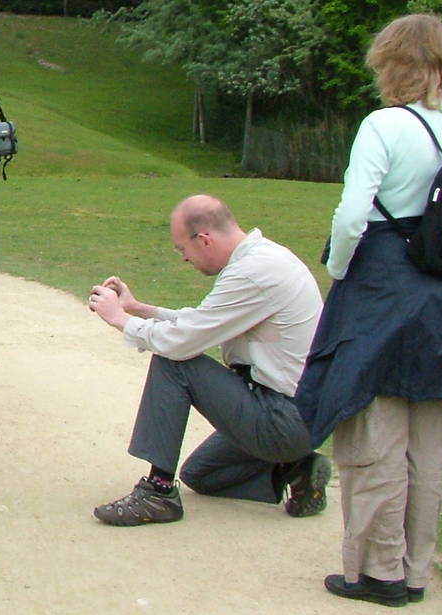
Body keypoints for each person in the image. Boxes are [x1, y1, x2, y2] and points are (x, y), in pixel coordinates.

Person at [295, 13, 442, 607]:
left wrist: (338, 272)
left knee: (377, 435)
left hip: (385, 291)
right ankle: (414, 571)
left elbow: (353, 215)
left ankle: (377, 571)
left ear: (390, 63)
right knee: (429, 446)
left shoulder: (383, 125)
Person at [86, 194, 329, 526]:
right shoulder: (263, 259)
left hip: (283, 416)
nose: (184, 260)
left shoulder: (254, 272)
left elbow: (184, 341)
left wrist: (119, 320)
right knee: (202, 474)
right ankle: (296, 468)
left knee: (174, 362)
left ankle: (158, 493)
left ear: (204, 239)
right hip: (294, 415)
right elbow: (203, 321)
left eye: (183, 250)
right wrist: (140, 310)